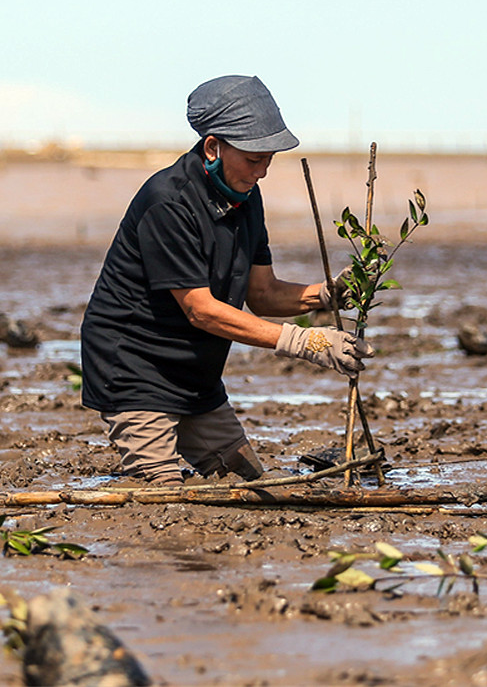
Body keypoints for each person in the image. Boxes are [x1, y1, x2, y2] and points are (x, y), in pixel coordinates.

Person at [80, 75, 370, 485]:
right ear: (213, 147)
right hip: (134, 366)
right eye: (254, 160)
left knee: (252, 483)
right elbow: (200, 310)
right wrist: (305, 341)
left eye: (269, 159)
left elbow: (263, 294)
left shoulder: (245, 197)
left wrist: (327, 296)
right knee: (163, 491)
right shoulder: (168, 201)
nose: (263, 172)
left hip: (196, 373)